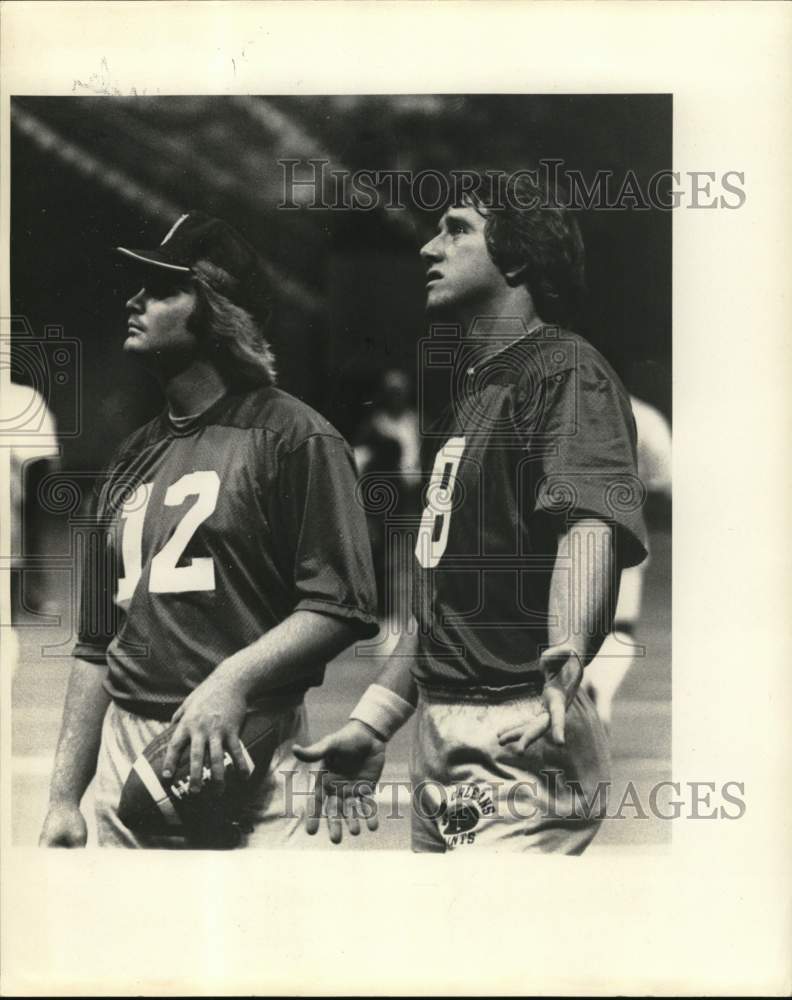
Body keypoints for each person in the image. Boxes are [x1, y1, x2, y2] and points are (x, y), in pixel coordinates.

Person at [294, 172, 648, 852]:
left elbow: (588, 522)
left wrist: (569, 647)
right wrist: (373, 721)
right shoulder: (476, 392)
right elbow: (445, 600)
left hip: (520, 725)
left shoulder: (566, 370)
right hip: (442, 730)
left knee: (489, 948)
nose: (430, 248)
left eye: (455, 228)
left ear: (516, 256)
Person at [39, 210, 378, 848]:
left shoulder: (295, 438)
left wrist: (232, 679)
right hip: (126, 759)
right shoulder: (127, 459)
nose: (134, 300)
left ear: (219, 314)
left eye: (164, 288)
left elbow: (343, 604)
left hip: (247, 744)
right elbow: (95, 643)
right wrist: (64, 798)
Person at [581, 394, 671, 729]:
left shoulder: (555, 407)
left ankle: (581, 693)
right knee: (621, 629)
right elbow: (664, 483)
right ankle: (600, 692)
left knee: (571, 628)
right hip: (624, 531)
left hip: (565, 533)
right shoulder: (645, 415)